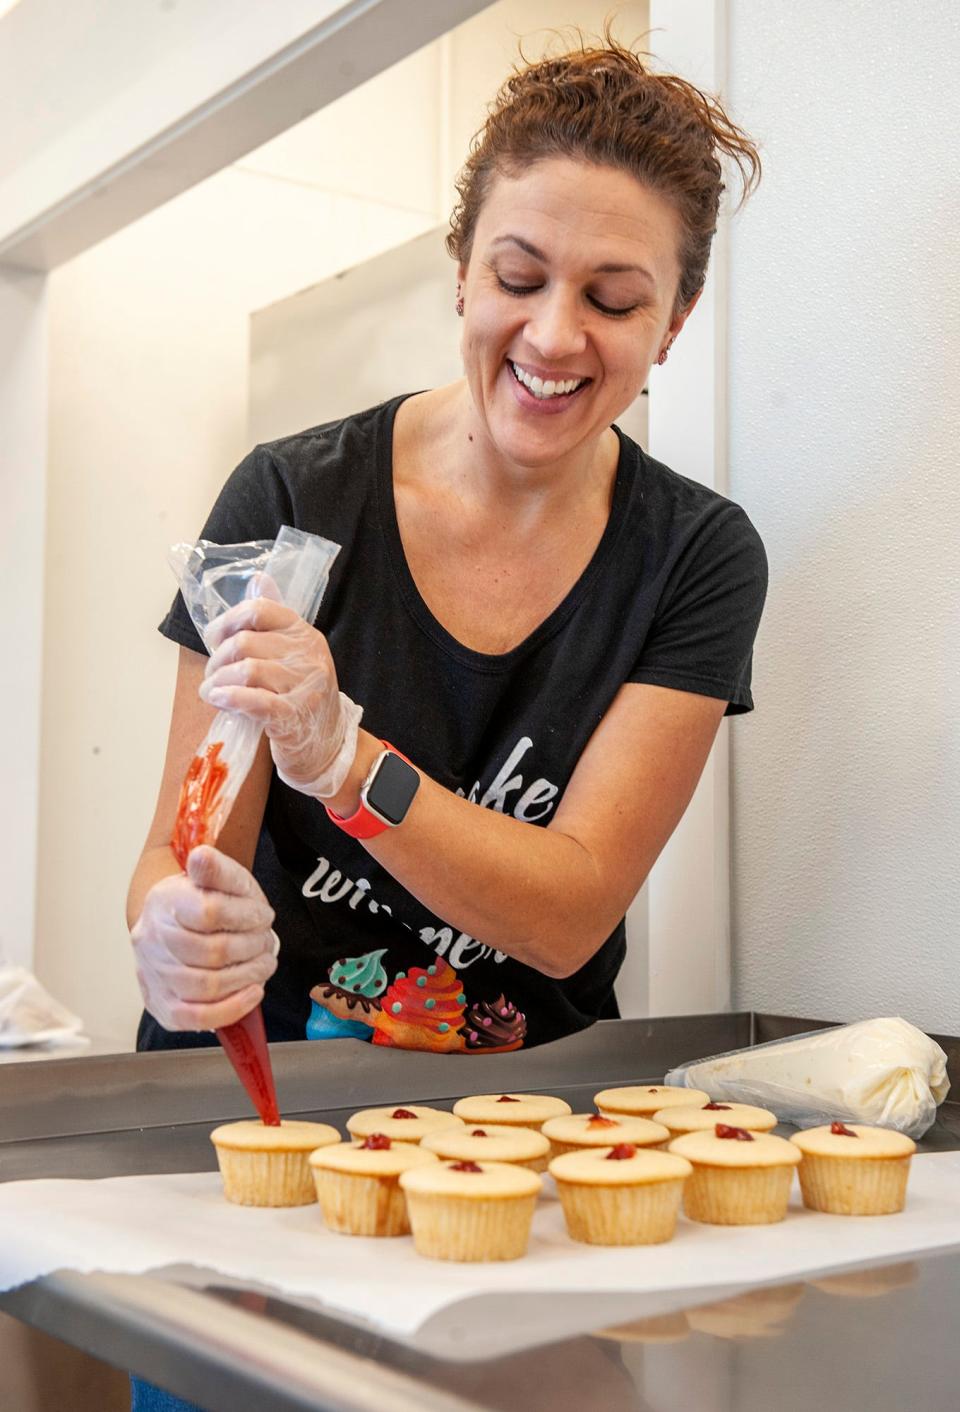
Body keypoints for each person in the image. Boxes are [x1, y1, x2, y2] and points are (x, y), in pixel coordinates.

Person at [128, 37, 765, 1062]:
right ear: (463, 274)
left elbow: (567, 918)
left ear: (674, 325)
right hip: (265, 1089)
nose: (555, 337)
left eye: (612, 300)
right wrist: (168, 927)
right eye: (520, 276)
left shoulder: (694, 557)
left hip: (519, 1116)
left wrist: (346, 761)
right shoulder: (293, 499)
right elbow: (185, 849)